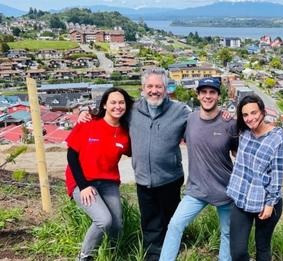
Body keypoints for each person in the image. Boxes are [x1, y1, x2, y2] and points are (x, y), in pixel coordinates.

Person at [79, 68, 191, 261]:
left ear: (166, 89)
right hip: (143, 178)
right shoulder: (132, 110)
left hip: (170, 177)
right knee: (150, 221)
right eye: (150, 86)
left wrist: (221, 116)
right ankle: (152, 255)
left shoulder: (180, 111)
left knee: (171, 219)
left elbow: (201, 122)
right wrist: (85, 114)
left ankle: (174, 251)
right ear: (142, 88)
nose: (154, 90)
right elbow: (110, 114)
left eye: (158, 86)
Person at [159, 77, 238, 261]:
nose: (207, 96)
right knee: (175, 225)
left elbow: (238, 153)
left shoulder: (229, 123)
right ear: (198, 95)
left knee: (227, 233)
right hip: (196, 189)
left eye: (212, 92)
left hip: (225, 189)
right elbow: (164, 114)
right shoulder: (190, 119)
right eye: (204, 92)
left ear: (218, 95)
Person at [65, 87, 134, 261]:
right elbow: (71, 155)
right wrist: (83, 186)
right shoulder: (89, 123)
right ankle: (84, 256)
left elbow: (136, 151)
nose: (117, 106)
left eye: (121, 102)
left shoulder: (126, 133)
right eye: (113, 102)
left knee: (117, 224)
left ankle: (110, 255)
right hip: (82, 181)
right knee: (104, 220)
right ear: (104, 104)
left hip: (108, 183)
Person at [226, 94, 283, 261]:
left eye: (254, 113)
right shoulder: (243, 131)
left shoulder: (277, 138)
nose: (250, 118)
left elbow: (277, 174)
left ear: (262, 112)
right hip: (241, 198)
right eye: (245, 115)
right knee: (238, 252)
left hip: (265, 202)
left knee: (262, 248)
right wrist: (224, 114)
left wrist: (270, 204)